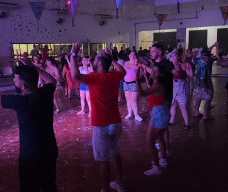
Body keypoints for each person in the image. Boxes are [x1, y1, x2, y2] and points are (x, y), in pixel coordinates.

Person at [0, 54, 58, 192]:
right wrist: (31, 67)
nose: (13, 81)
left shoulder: (21, 102)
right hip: (49, 150)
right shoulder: (45, 93)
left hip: (31, 157)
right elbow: (51, 80)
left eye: (15, 80)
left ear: (23, 85)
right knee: (49, 186)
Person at [69, 42, 126, 192]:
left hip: (102, 124)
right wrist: (112, 58)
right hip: (116, 122)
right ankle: (120, 183)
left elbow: (75, 76)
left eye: (95, 60)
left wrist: (73, 55)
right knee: (115, 153)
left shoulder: (95, 78)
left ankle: (105, 189)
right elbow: (123, 71)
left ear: (100, 63)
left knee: (103, 159)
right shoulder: (114, 75)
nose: (93, 61)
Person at [141, 43, 174, 156]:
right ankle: (163, 147)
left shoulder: (167, 64)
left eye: (153, 51)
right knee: (159, 124)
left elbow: (174, 73)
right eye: (151, 51)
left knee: (163, 126)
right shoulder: (155, 63)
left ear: (160, 52)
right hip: (155, 97)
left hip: (164, 99)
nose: (151, 53)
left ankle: (166, 149)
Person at [136, 65, 170, 176]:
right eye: (153, 70)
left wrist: (136, 79)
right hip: (160, 113)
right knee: (160, 138)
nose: (153, 72)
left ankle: (156, 167)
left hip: (159, 114)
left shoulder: (158, 86)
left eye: (156, 71)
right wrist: (145, 76)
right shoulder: (155, 85)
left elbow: (141, 93)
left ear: (160, 74)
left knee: (150, 141)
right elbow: (149, 86)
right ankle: (163, 160)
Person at [169, 52, 193, 129]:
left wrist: (189, 67)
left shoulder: (183, 65)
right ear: (171, 58)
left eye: (175, 56)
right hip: (172, 86)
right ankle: (171, 120)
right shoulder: (169, 66)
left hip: (181, 86)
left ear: (178, 57)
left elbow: (190, 75)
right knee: (173, 105)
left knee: (182, 106)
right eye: (172, 56)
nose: (174, 57)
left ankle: (186, 123)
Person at [193, 50, 214, 120]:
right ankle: (205, 115)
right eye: (209, 57)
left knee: (198, 98)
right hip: (205, 84)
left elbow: (193, 61)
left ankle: (196, 112)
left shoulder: (199, 60)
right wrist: (205, 88)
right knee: (208, 99)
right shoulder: (204, 66)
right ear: (206, 58)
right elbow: (202, 79)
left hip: (198, 84)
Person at [123, 51, 143, 121]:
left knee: (133, 100)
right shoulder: (126, 63)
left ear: (135, 56)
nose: (131, 55)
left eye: (133, 54)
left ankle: (136, 115)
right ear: (129, 56)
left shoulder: (137, 64)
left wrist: (137, 77)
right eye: (130, 54)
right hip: (126, 83)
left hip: (134, 83)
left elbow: (141, 74)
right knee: (128, 100)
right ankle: (129, 114)